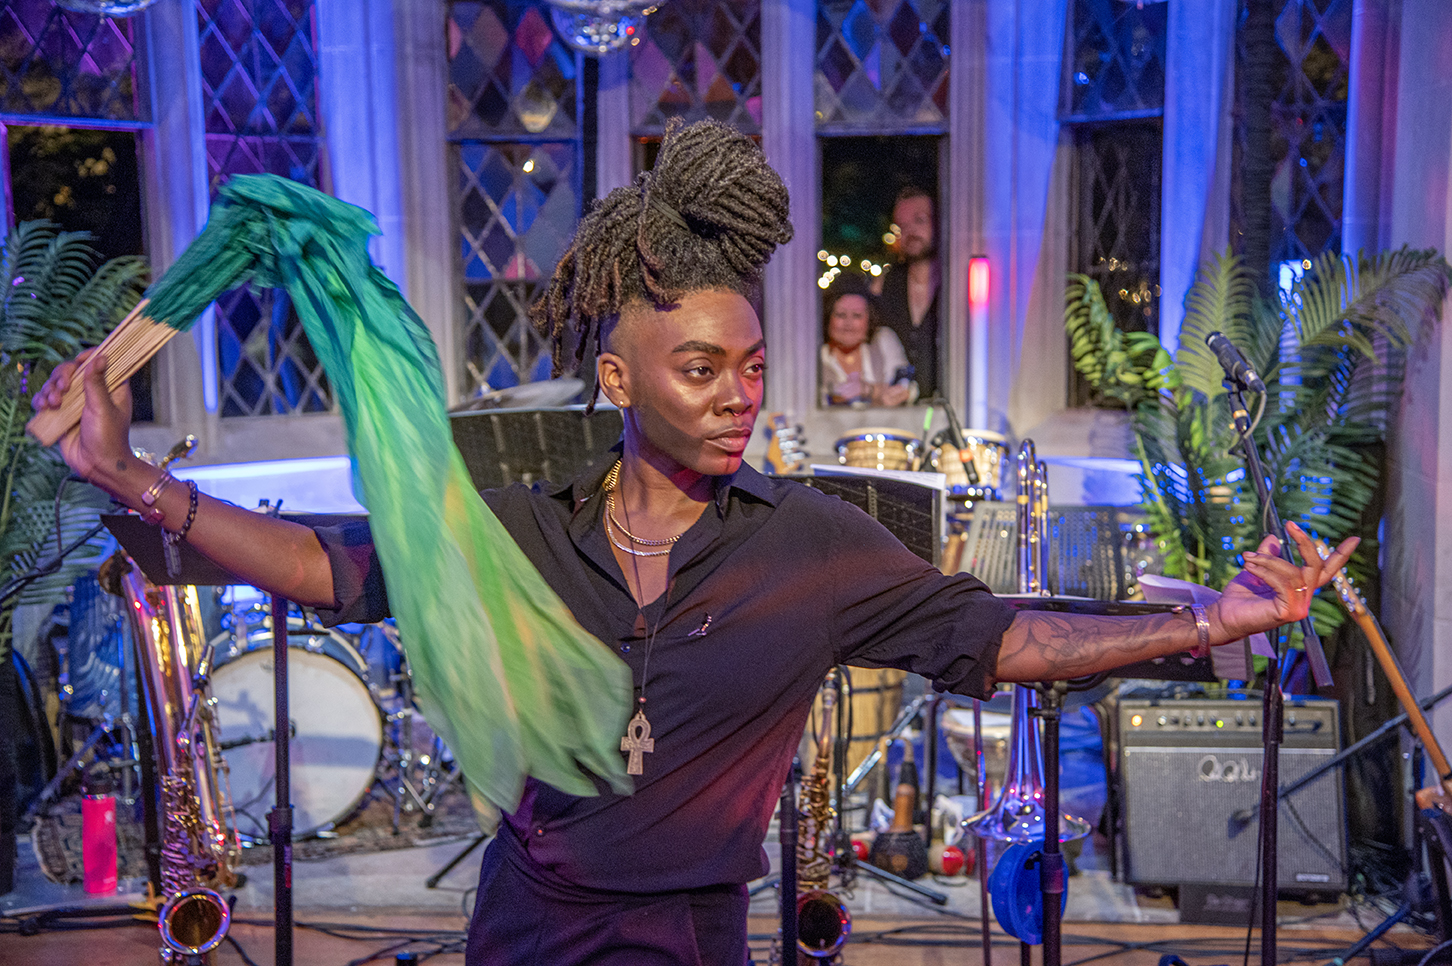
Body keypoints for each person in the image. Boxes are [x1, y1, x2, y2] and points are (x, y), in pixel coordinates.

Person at [35, 118, 1355, 966]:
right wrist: (127, 473)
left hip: (693, 935)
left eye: (752, 366)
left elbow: (999, 637)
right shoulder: (527, 530)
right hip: (527, 925)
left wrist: (1208, 622)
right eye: (702, 368)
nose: (739, 396)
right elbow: (339, 569)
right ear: (617, 381)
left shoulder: (812, 547)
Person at [873, 186, 940, 398]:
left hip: (950, 407)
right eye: (902, 226)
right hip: (898, 411)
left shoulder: (956, 286)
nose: (910, 232)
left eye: (920, 220)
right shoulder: (883, 286)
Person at [819, 276, 912, 406]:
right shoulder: (817, 354)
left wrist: (869, 390)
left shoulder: (883, 339)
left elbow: (908, 389)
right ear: (828, 317)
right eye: (841, 315)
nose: (848, 324)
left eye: (857, 316)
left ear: (869, 318)